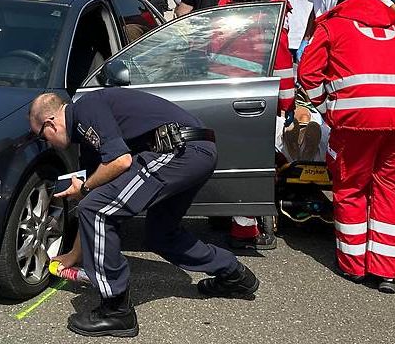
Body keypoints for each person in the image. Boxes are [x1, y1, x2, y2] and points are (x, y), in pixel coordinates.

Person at [29, 91, 260, 338]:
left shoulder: (86, 108)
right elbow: (95, 202)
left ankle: (116, 311)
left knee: (95, 209)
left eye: (43, 137)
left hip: (177, 150)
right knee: (160, 235)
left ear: (50, 123)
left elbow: (120, 161)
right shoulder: (87, 139)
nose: (47, 143)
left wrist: (84, 188)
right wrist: (74, 255)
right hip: (194, 151)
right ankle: (233, 274)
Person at [297, 0, 395, 294]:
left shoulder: (332, 27)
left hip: (358, 117)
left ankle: (354, 265)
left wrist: (325, 107)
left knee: (351, 185)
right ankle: (386, 271)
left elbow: (308, 73)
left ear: (339, 7)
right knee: (393, 189)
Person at [214, 0, 295, 249]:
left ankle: (224, 213)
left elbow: (213, 41)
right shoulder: (275, 4)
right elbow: (283, 59)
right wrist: (287, 103)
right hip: (256, 94)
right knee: (254, 161)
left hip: (221, 86)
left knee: (228, 155)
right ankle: (246, 229)